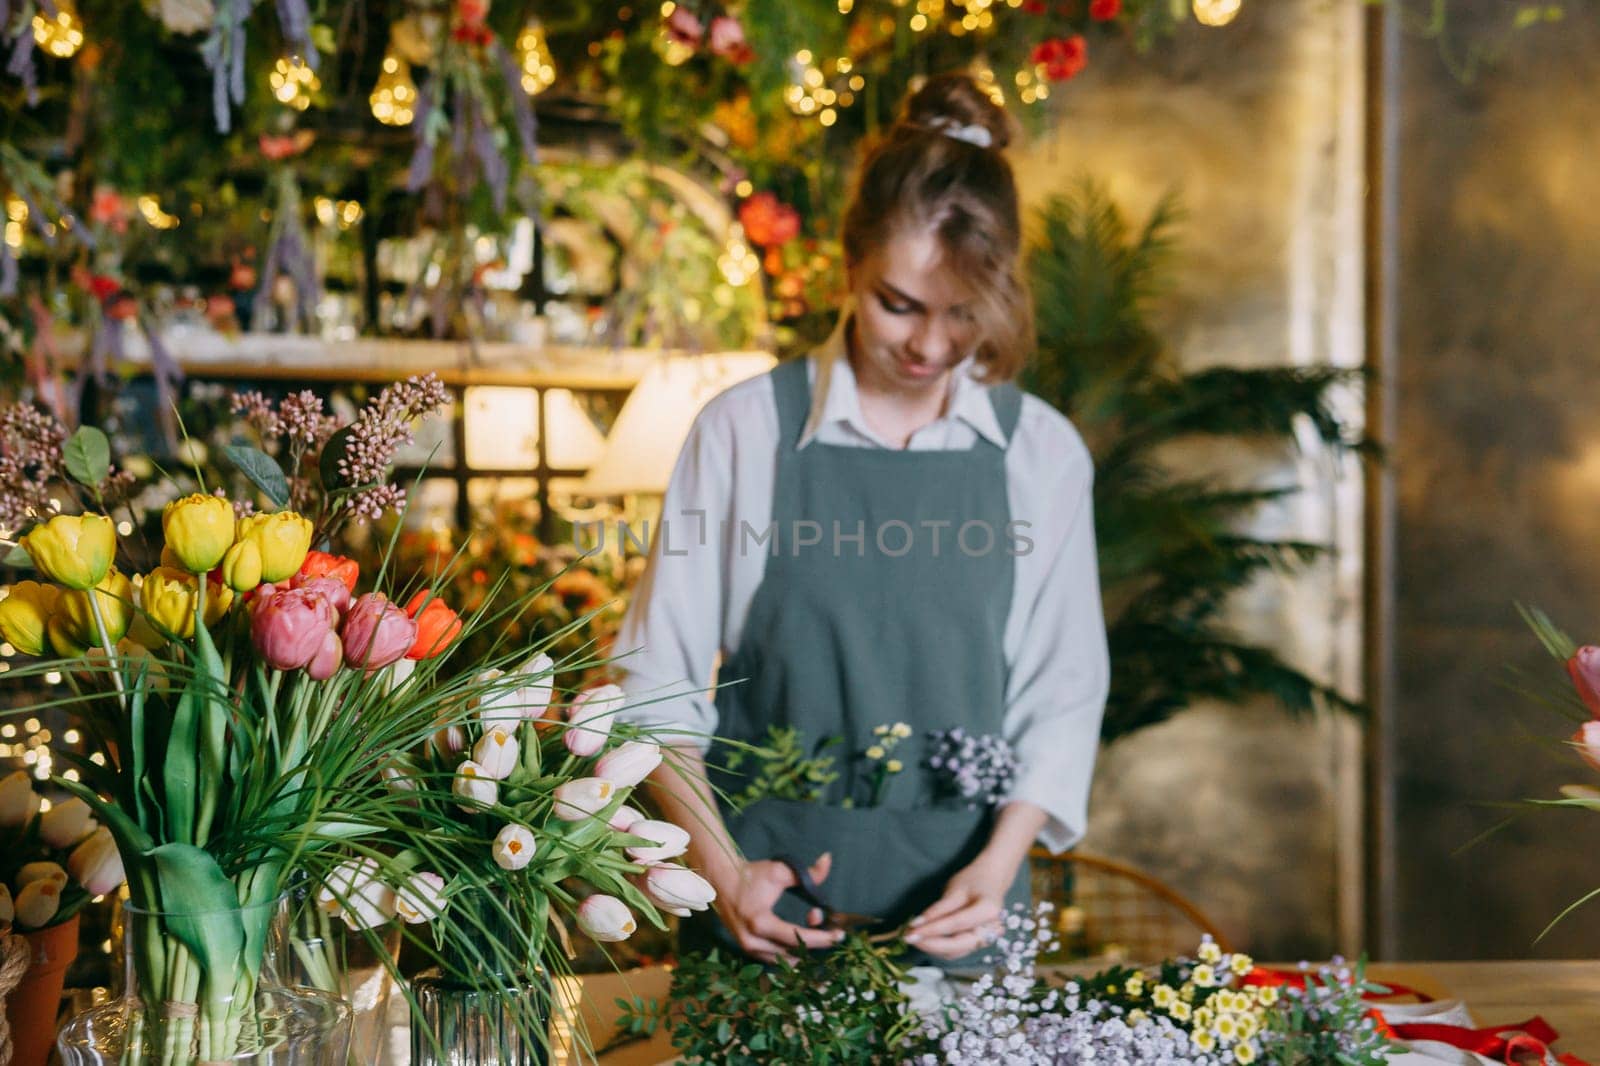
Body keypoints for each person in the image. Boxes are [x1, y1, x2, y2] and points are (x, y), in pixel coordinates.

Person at [615, 72, 1109, 965]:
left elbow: (1063, 693)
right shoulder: (743, 432)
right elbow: (654, 683)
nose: (929, 346)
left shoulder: (1042, 454)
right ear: (849, 266)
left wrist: (998, 869)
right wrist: (724, 875)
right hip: (767, 916)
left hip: (969, 920)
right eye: (900, 304)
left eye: (965, 315)